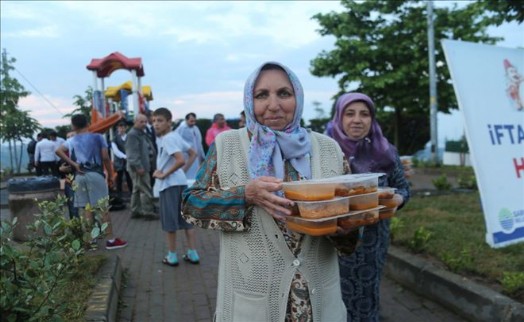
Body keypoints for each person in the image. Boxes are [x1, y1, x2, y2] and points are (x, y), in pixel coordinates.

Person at [182, 62, 360, 321]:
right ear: (249, 100)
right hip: (253, 303)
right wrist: (245, 195)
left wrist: (347, 227)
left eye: (284, 94)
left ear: (297, 97)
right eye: (262, 95)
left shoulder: (328, 148)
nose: (273, 104)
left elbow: (351, 230)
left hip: (319, 302)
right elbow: (190, 205)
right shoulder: (227, 146)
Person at [327, 92, 410, 321]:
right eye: (350, 113)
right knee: (331, 297)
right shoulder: (324, 151)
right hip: (330, 242)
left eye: (365, 114)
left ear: (372, 119)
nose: (357, 119)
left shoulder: (385, 151)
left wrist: (396, 200)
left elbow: (403, 188)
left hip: (372, 244)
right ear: (339, 117)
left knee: (366, 297)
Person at [55, 114, 128, 250]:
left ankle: (91, 240)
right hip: (95, 175)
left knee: (87, 209)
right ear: (88, 123)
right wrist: (111, 175)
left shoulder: (71, 140)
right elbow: (105, 157)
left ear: (73, 126)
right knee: (103, 208)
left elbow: (58, 150)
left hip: (79, 176)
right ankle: (110, 240)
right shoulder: (98, 137)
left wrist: (73, 164)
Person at [152, 107, 198, 266]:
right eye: (154, 121)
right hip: (181, 182)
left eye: (160, 121)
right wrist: (182, 172)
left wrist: (164, 174)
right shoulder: (175, 136)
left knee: (170, 222)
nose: (156, 124)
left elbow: (180, 159)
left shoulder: (168, 139)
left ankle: (172, 256)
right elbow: (193, 153)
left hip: (170, 185)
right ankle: (192, 253)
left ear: (169, 122)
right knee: (186, 220)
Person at [125, 114, 156, 219]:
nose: (144, 124)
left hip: (143, 166)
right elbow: (132, 153)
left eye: (145, 122)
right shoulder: (133, 134)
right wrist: (138, 166)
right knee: (145, 189)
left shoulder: (141, 133)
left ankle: (135, 210)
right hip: (139, 167)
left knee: (137, 189)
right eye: (141, 122)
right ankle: (148, 212)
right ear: (135, 122)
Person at [174, 112, 205, 180]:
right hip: (186, 156)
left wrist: (202, 155)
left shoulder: (195, 128)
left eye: (194, 121)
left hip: (195, 156)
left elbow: (199, 142)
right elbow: (178, 141)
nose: (193, 123)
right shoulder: (181, 129)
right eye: (191, 121)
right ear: (186, 120)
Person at [59, 131, 79, 219]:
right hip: (70, 181)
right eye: (68, 137)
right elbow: (61, 167)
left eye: (72, 136)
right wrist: (60, 169)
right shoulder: (64, 153)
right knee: (72, 208)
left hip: (82, 181)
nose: (70, 138)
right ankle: (76, 230)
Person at [111, 121, 133, 199]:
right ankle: (119, 195)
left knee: (129, 178)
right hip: (119, 162)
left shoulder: (129, 137)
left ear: (126, 128)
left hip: (128, 161)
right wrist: (125, 156)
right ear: (117, 128)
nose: (121, 129)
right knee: (119, 179)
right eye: (120, 127)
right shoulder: (114, 139)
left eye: (123, 127)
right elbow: (116, 151)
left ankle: (132, 194)